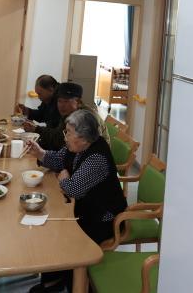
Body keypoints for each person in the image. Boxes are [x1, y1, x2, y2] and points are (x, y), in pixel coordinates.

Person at [27, 109, 127, 292]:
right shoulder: (76, 146)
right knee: (52, 228)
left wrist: (64, 179)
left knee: (64, 237)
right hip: (84, 208)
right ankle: (55, 279)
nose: (65, 137)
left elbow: (73, 189)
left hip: (103, 217)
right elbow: (59, 159)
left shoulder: (96, 157)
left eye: (69, 133)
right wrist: (40, 153)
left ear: (84, 138)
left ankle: (71, 283)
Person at [29, 82, 108, 150]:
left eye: (66, 101)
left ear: (78, 102)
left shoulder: (86, 117)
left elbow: (92, 148)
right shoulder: (69, 113)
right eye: (59, 101)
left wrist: (37, 129)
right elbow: (59, 136)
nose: (62, 105)